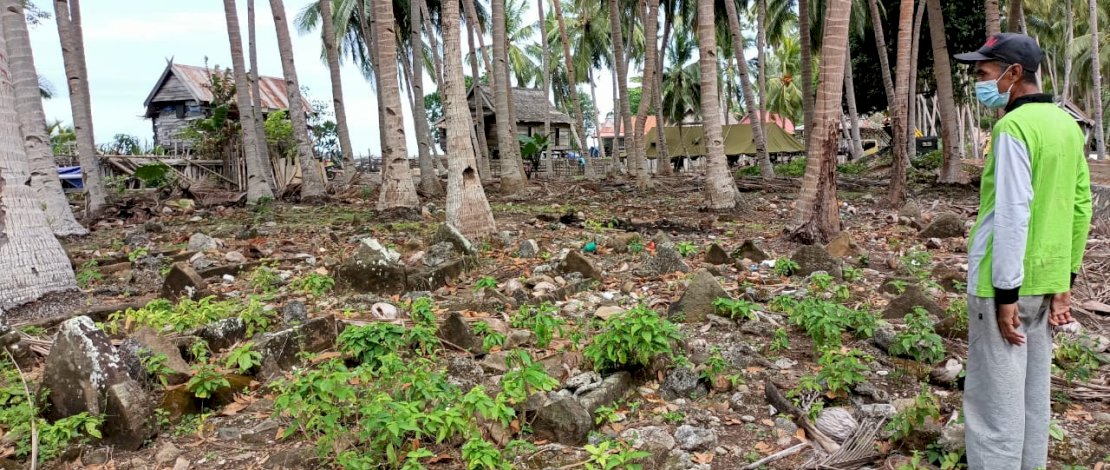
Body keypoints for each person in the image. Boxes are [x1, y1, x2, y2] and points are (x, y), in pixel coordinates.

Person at [954, 33, 1092, 470]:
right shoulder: (1066, 126)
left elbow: (1013, 213)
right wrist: (1064, 282)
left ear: (1014, 74)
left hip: (1005, 286)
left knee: (995, 407)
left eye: (984, 73)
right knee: (1033, 400)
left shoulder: (1013, 128)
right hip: (1047, 282)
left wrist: (1006, 294)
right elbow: (1080, 205)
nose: (980, 81)